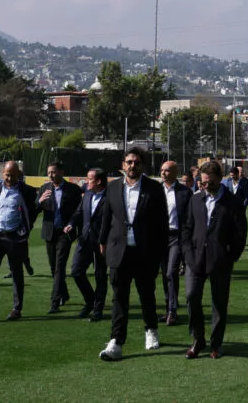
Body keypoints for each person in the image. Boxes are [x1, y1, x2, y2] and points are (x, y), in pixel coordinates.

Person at [98, 147, 169, 361]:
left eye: (137, 162)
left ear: (142, 166)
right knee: (119, 297)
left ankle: (151, 330)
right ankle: (116, 341)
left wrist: (159, 252)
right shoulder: (112, 188)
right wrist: (102, 242)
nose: (132, 166)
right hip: (119, 250)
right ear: (123, 164)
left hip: (145, 251)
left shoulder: (154, 188)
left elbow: (162, 223)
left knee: (146, 294)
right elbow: (106, 217)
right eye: (129, 162)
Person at [182, 161, 247, 359]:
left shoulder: (232, 202)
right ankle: (198, 338)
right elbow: (187, 228)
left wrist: (230, 256)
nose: (205, 186)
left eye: (209, 183)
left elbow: (240, 232)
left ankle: (216, 343)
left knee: (219, 303)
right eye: (203, 183)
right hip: (195, 259)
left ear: (220, 179)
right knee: (191, 296)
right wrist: (187, 253)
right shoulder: (195, 199)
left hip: (220, 260)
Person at [0, 161, 39, 324]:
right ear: (3, 173)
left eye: (12, 175)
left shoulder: (26, 191)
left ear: (19, 175)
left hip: (14, 238)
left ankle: (16, 309)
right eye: (7, 174)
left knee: (17, 273)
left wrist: (24, 230)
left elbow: (31, 213)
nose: (9, 178)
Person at [39, 161, 83, 313]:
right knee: (53, 267)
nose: (51, 175)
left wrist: (72, 223)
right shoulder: (44, 188)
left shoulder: (73, 189)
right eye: (49, 172)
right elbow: (35, 208)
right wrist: (39, 202)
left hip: (65, 233)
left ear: (62, 172)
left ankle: (54, 302)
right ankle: (64, 293)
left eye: (54, 172)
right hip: (50, 232)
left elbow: (79, 210)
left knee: (60, 267)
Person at [69, 168, 109, 321]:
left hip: (101, 242)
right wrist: (71, 223)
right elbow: (79, 212)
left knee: (100, 276)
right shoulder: (87, 195)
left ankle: (98, 309)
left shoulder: (110, 197)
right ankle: (90, 301)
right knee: (76, 271)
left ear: (98, 181)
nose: (86, 182)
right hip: (84, 240)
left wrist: (105, 240)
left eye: (89, 179)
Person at [159, 160, 192, 326]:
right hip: (159, 237)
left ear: (174, 172)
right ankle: (167, 308)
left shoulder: (185, 192)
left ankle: (172, 311)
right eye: (162, 170)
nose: (163, 173)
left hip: (176, 238)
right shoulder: (156, 191)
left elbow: (189, 218)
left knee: (171, 272)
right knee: (165, 273)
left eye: (166, 170)